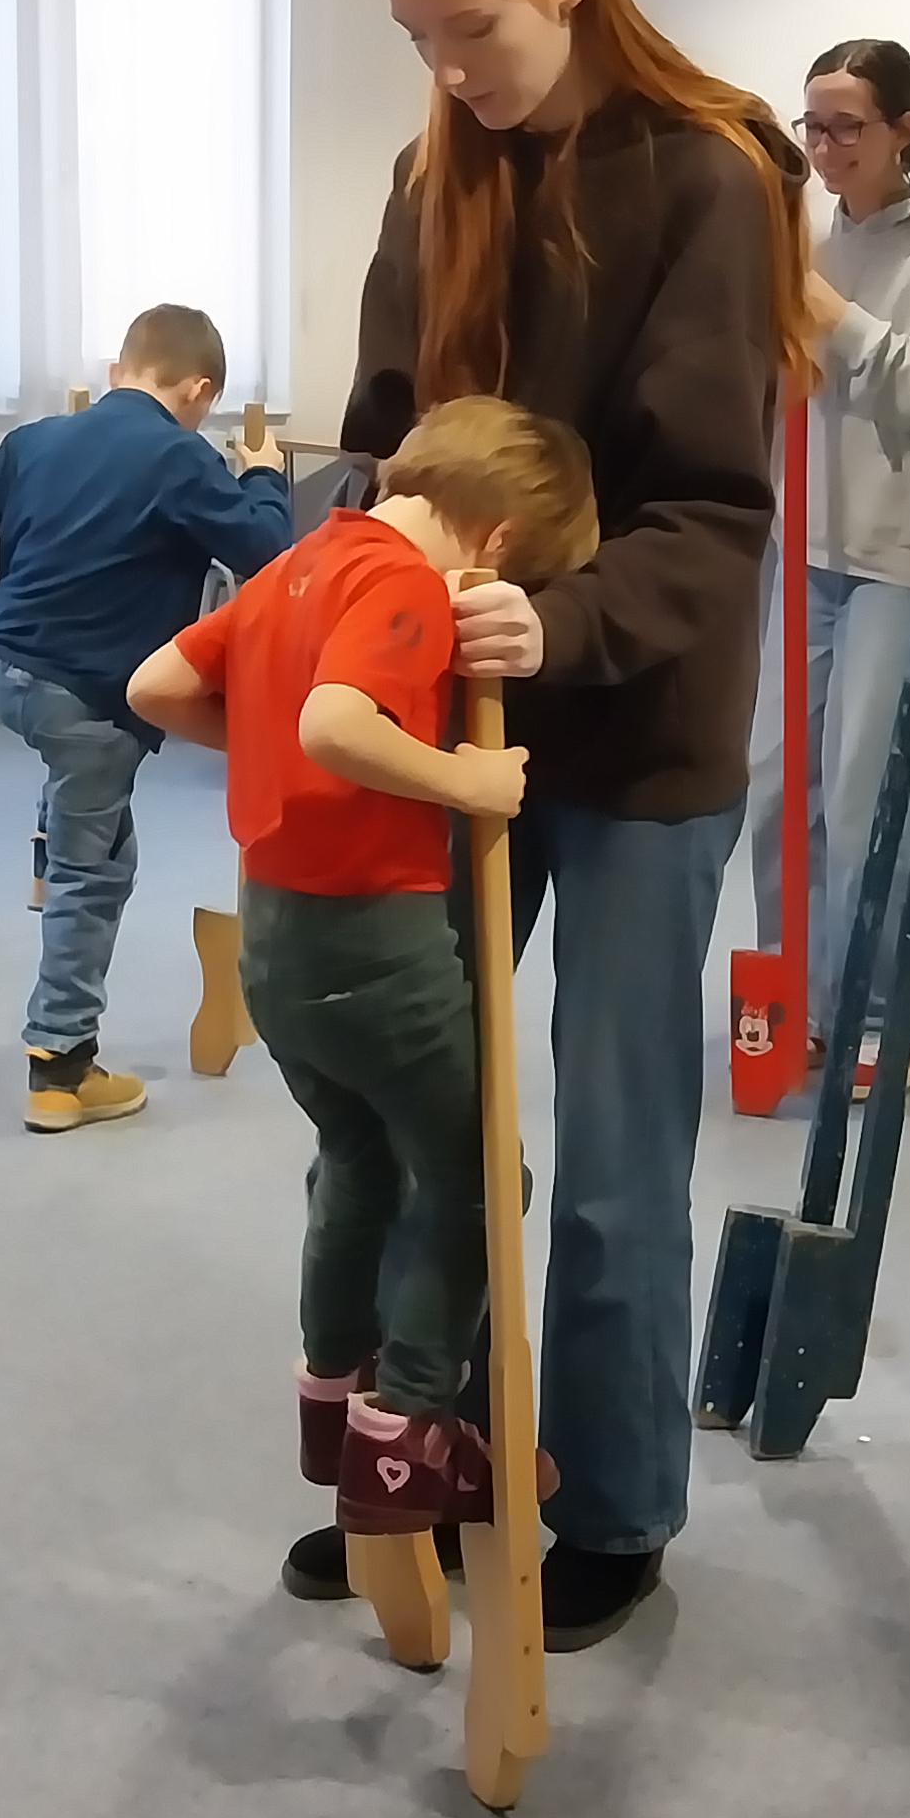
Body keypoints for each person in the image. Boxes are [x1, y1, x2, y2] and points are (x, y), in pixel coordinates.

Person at [280, 0, 810, 1651]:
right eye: (416, 34)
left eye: (474, 27)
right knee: (410, 1124)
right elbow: (380, 437)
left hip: (638, 727)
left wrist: (559, 620)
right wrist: (336, 562)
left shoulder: (711, 176)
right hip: (452, 732)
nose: (447, 68)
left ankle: (616, 1499)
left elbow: (711, 511)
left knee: (609, 1154)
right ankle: (420, 1455)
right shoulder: (433, 176)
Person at [127, 396, 597, 1530]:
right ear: (494, 542)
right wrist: (464, 781)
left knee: (357, 1157)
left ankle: (331, 1393)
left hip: (274, 943)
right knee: (480, 1176)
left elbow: (156, 688)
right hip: (376, 945)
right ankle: (409, 1434)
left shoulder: (295, 564)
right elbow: (336, 724)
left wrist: (271, 743)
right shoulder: (404, 585)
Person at [0, 304, 294, 1130]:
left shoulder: (40, 439)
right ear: (198, 390)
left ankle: (52, 837)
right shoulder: (180, 456)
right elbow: (268, 551)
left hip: (3, 667)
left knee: (73, 787)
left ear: (116, 372)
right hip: (84, 695)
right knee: (95, 875)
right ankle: (60, 1067)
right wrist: (261, 475)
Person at [754, 37, 910, 1096]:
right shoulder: (809, 241)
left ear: (906, 128)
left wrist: (841, 325)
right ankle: (800, 1005)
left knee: (862, 801)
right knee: (777, 794)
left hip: (896, 560)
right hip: (804, 551)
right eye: (812, 125)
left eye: (847, 125)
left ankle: (895, 1019)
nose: (825, 146)